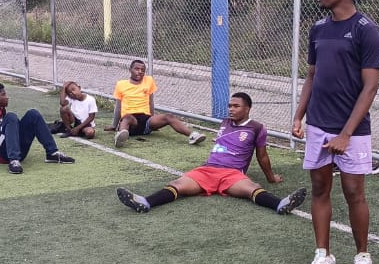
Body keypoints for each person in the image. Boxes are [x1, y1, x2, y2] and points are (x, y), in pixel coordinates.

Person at [292, 0, 379, 264]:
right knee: (320, 189)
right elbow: (312, 76)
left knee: (354, 192)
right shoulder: (317, 29)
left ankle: (362, 257)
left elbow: (370, 87)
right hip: (318, 124)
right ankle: (323, 255)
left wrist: (346, 134)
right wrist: (299, 116)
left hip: (352, 130)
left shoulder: (365, 30)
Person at [116, 92, 307, 215]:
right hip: (207, 170)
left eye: (236, 106)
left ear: (247, 108)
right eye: (230, 106)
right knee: (177, 185)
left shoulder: (257, 128)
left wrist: (271, 177)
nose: (231, 109)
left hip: (232, 173)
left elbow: (262, 156)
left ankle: (281, 204)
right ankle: (145, 202)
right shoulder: (225, 122)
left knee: (252, 188)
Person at [107, 59, 205, 148]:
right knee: (127, 117)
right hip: (131, 123)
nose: (140, 71)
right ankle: (120, 136)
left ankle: (192, 136)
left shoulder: (149, 80)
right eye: (137, 69)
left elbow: (151, 101)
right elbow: (118, 107)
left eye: (142, 70)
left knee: (168, 116)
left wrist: (153, 121)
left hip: (146, 121)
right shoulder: (121, 84)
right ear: (130, 70)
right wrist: (114, 125)